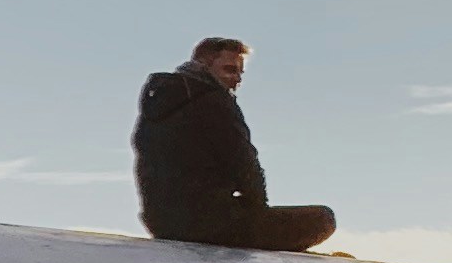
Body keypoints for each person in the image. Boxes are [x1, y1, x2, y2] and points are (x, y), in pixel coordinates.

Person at [133, 37, 336, 251]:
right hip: (207, 225)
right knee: (323, 219)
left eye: (240, 73)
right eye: (230, 70)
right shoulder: (214, 101)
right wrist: (258, 212)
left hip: (161, 223)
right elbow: (244, 164)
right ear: (203, 66)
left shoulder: (155, 110)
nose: (237, 79)